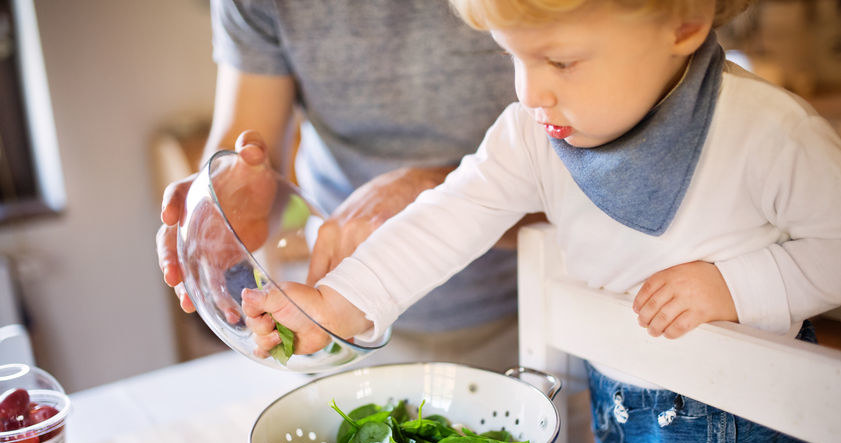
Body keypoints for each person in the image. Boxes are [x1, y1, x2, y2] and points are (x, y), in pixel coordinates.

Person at [241, 0, 841, 441]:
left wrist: (733, 287)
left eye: (561, 60)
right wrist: (336, 303)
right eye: (513, 58)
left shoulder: (767, 133)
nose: (530, 92)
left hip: (756, 416)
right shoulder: (531, 132)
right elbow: (450, 216)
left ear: (683, 21)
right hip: (616, 412)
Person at [155, 0, 538, 372]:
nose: (535, 93)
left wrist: (435, 191)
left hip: (530, 311)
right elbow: (245, 137)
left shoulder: (528, 124)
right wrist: (225, 204)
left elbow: (550, 183)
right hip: (341, 333)